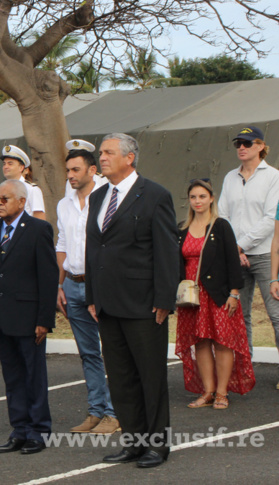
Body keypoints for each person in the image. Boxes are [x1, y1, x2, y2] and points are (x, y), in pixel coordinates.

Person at [85, 133, 178, 469]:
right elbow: (95, 248)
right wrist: (93, 295)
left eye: (108, 152)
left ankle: (156, 446)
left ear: (129, 158)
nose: (102, 157)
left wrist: (165, 298)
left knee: (150, 377)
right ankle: (134, 442)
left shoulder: (154, 195)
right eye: (101, 152)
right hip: (107, 304)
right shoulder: (98, 197)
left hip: (144, 304)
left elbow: (167, 251)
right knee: (122, 378)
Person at [0, 179, 56, 455]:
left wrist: (44, 320)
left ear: (22, 202)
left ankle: (39, 431)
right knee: (12, 378)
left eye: (5, 199)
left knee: (33, 376)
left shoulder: (38, 230)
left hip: (28, 317)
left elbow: (48, 278)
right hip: (1, 318)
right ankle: (19, 429)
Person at [177, 179, 255, 409]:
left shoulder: (221, 226)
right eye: (193, 197)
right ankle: (208, 391)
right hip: (192, 296)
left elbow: (232, 261)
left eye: (202, 196)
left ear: (211, 198)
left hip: (218, 294)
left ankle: (222, 393)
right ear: (189, 200)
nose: (197, 201)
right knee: (200, 342)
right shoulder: (182, 228)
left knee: (222, 342)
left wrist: (234, 293)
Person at [55, 150, 118, 434]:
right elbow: (62, 244)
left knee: (113, 350)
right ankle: (96, 411)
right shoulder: (64, 203)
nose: (70, 175)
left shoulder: (109, 199)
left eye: (76, 170)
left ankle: (115, 413)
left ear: (93, 170)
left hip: (102, 286)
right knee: (88, 353)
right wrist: (59, 284)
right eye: (68, 170)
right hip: (72, 283)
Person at [218, 126, 279, 364]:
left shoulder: (273, 176)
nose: (241, 148)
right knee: (238, 316)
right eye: (238, 144)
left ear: (261, 146)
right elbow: (223, 216)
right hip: (235, 255)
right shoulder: (230, 177)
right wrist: (234, 249)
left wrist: (240, 246)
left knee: (276, 316)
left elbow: (270, 219)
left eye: (247, 143)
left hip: (265, 255)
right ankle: (244, 367)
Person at [0, 146, 45, 220]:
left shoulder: (32, 190)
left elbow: (39, 218)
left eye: (10, 164)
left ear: (21, 167)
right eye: (4, 164)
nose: (6, 167)